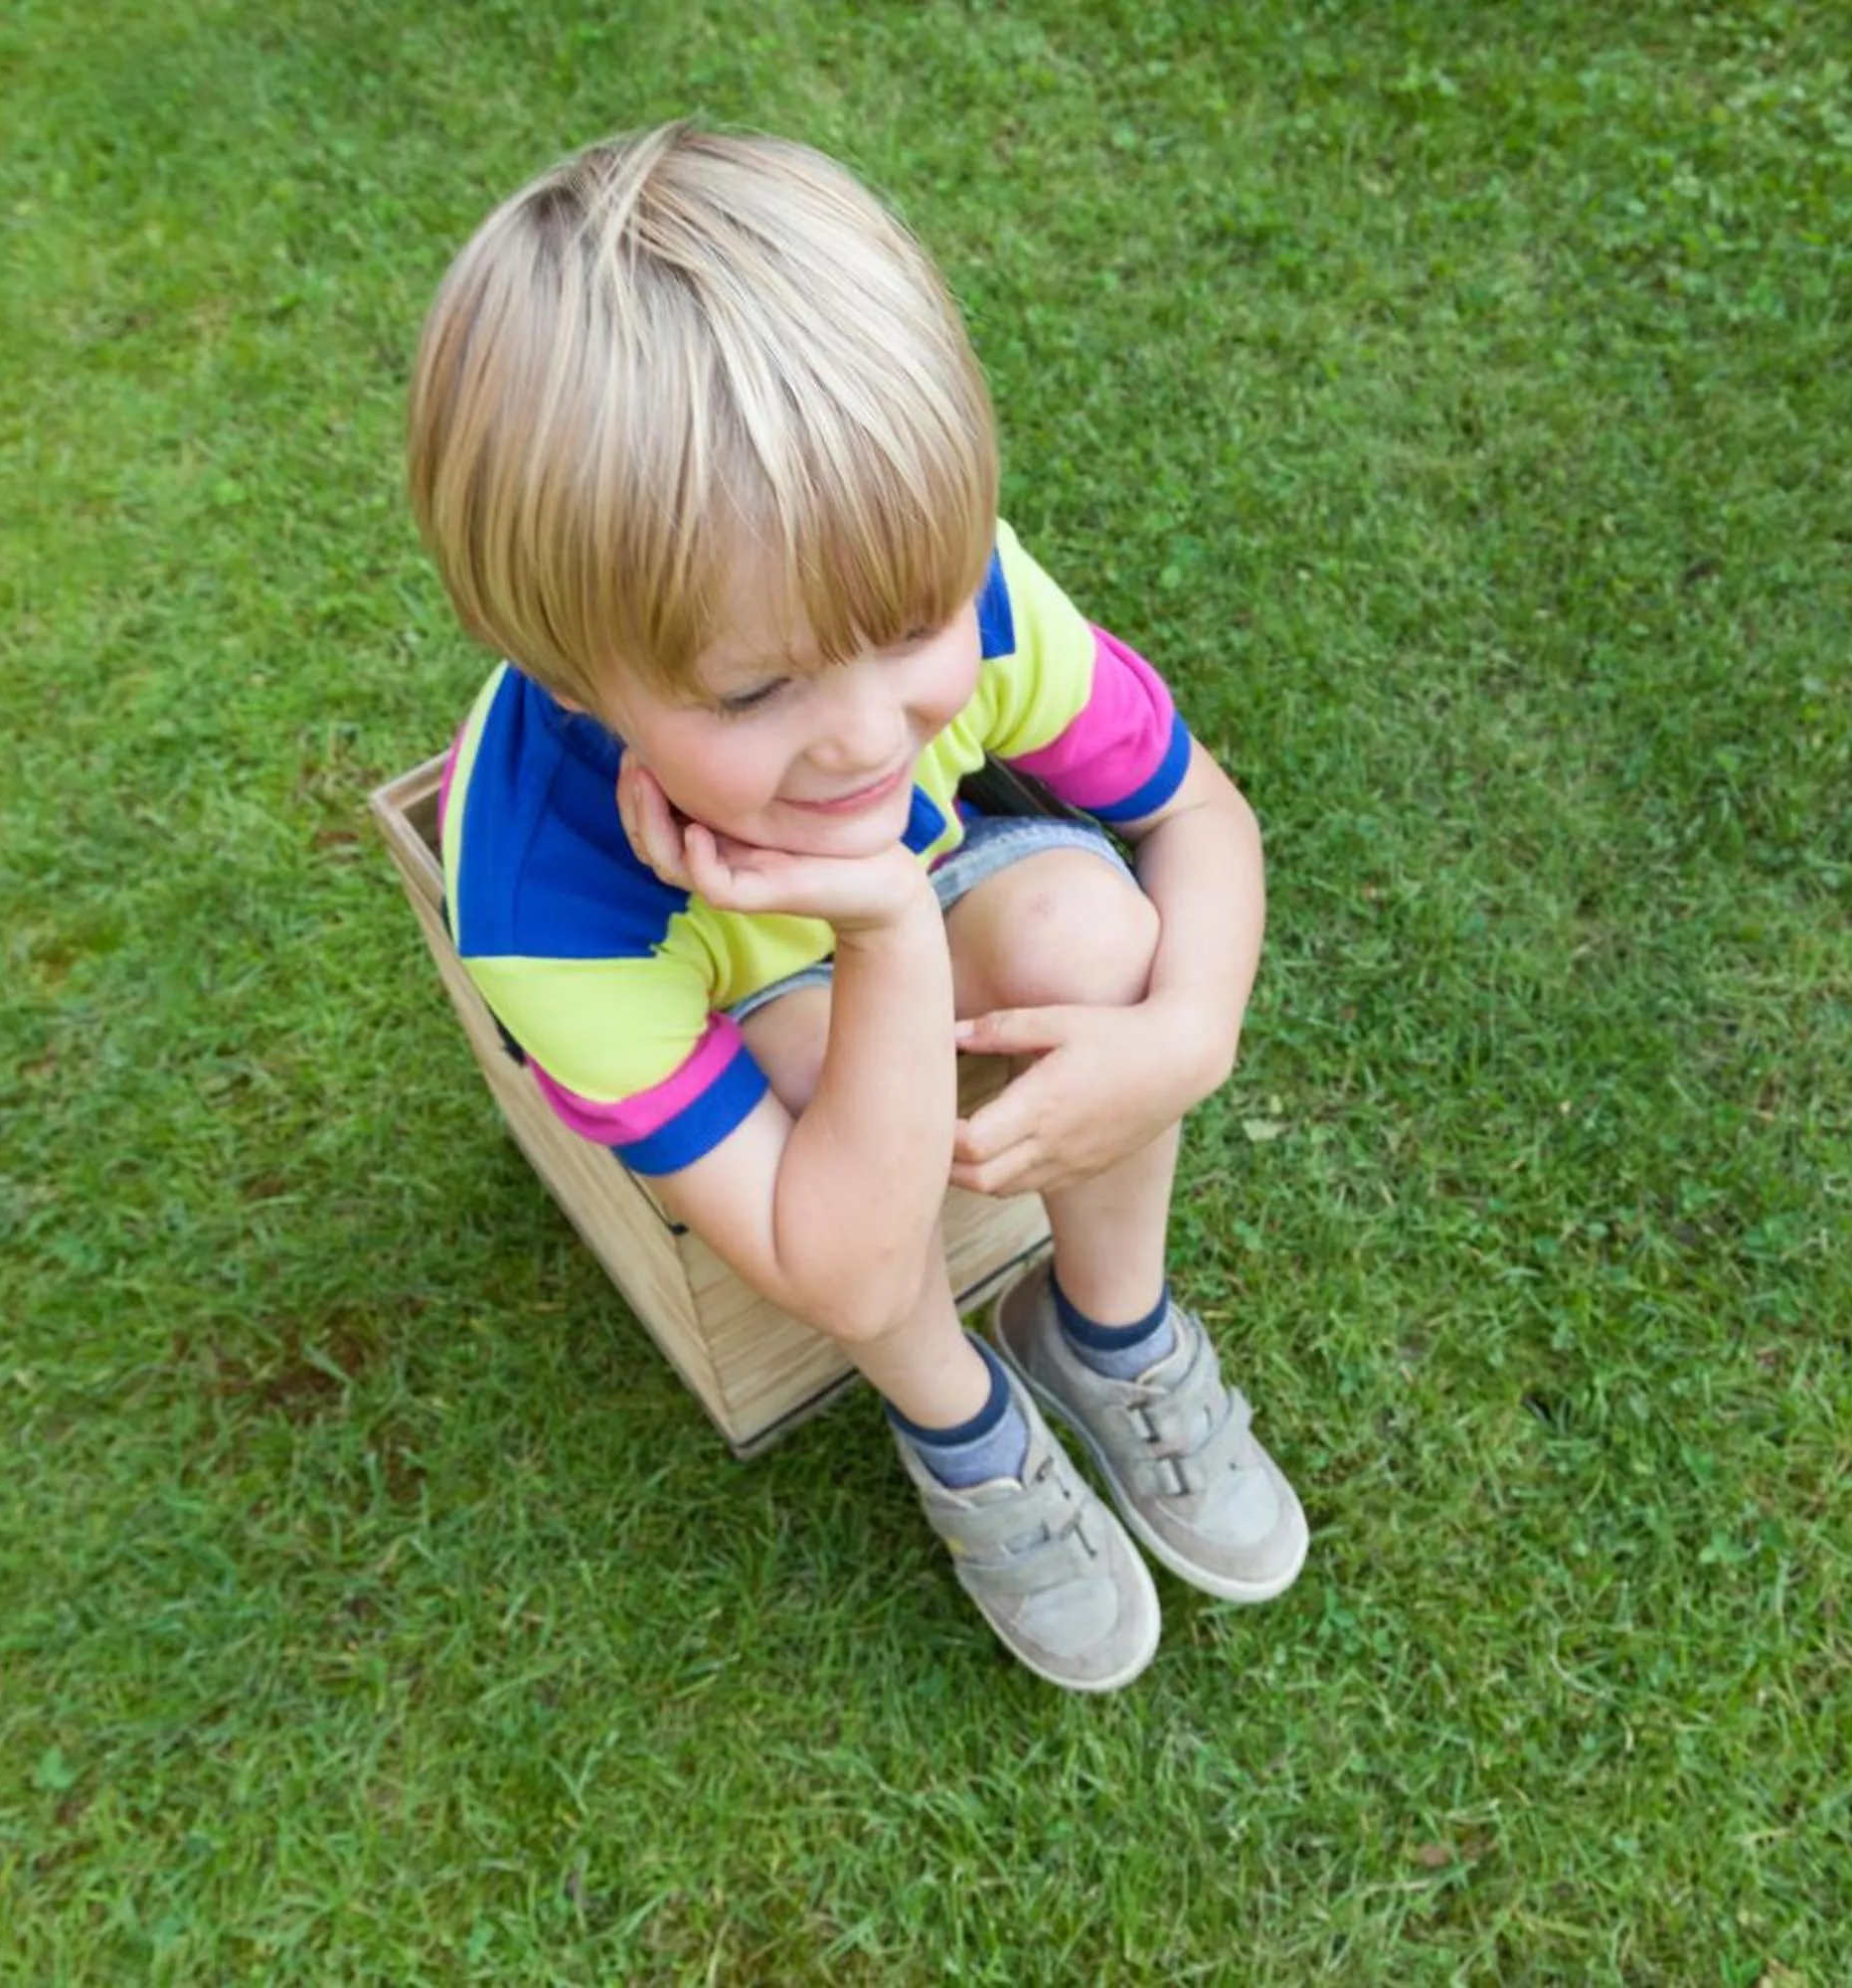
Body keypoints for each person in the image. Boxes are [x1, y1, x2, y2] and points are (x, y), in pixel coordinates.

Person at [404, 122, 1305, 1692]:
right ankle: (958, 1417)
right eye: (757, 689)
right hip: (765, 1008)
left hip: (935, 907)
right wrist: (883, 925)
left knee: (1105, 939)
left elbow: (1199, 818)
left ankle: (1105, 1326)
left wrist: (1187, 1034)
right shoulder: (548, 905)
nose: (867, 733)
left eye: (908, 626)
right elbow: (831, 1251)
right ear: (569, 679)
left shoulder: (969, 597)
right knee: (833, 1080)